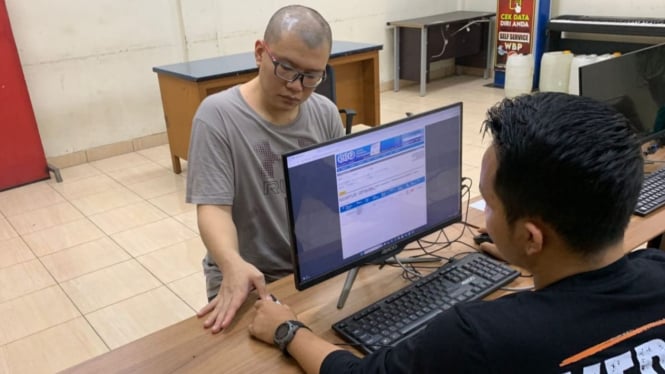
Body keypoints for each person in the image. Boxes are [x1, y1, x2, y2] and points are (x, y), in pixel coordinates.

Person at [248, 92, 665, 373]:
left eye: (489, 202)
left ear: (532, 238)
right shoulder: (657, 268)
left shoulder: (477, 338)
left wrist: (287, 330)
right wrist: (522, 259)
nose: (482, 216)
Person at [186, 5, 345, 333]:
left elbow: (337, 194)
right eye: (286, 69)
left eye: (312, 76)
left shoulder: (325, 113)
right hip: (247, 276)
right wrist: (231, 263)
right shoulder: (217, 117)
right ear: (260, 53)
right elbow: (213, 209)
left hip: (310, 267)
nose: (297, 87)